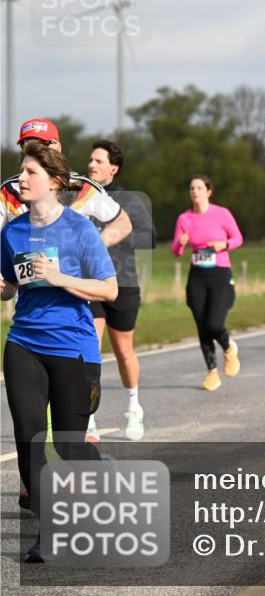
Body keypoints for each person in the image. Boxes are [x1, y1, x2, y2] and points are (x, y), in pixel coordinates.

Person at [1, 143, 118, 562]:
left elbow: (109, 288)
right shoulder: (12, 231)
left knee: (69, 446)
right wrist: (2, 289)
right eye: (20, 172)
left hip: (73, 346)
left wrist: (60, 277)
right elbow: (11, 284)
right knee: (30, 439)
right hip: (24, 342)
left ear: (53, 181)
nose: (22, 179)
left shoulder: (78, 229)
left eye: (30, 172)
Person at [85, 140, 156, 440]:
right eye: (90, 160)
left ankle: (133, 407)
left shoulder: (129, 200)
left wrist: (112, 235)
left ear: (113, 168)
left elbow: (149, 237)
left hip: (123, 283)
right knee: (89, 350)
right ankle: (87, 418)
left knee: (124, 351)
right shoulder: (79, 197)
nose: (91, 165)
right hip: (90, 284)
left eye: (98, 161)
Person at [2, 118, 132, 248]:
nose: (33, 151)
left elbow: (122, 223)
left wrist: (93, 248)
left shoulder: (83, 188)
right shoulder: (8, 190)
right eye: (26, 145)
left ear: (57, 147)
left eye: (41, 144)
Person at [172, 175, 244, 391]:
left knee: (214, 324)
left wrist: (223, 245)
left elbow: (238, 238)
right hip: (197, 276)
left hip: (220, 274)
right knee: (202, 326)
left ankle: (228, 347)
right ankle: (212, 372)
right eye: (192, 188)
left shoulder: (222, 214)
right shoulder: (184, 218)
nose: (195, 191)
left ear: (208, 191)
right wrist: (181, 244)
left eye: (199, 188)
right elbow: (176, 251)